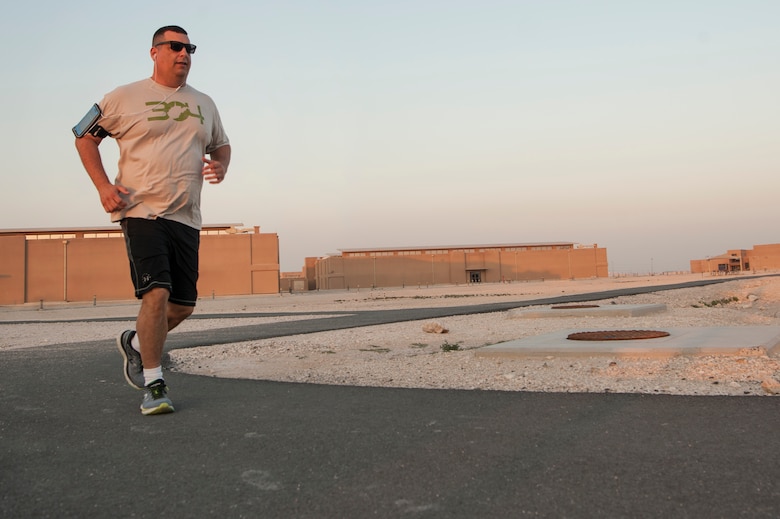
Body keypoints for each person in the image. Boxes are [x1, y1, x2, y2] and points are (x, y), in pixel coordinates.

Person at [74, 25, 231, 415]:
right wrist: (103, 186)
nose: (184, 54)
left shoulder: (205, 103)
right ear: (154, 52)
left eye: (190, 47)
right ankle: (154, 385)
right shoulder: (123, 97)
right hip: (140, 209)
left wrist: (221, 165)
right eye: (176, 47)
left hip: (186, 216)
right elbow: (83, 136)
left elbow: (222, 144)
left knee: (182, 306)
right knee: (156, 294)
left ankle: (138, 345)